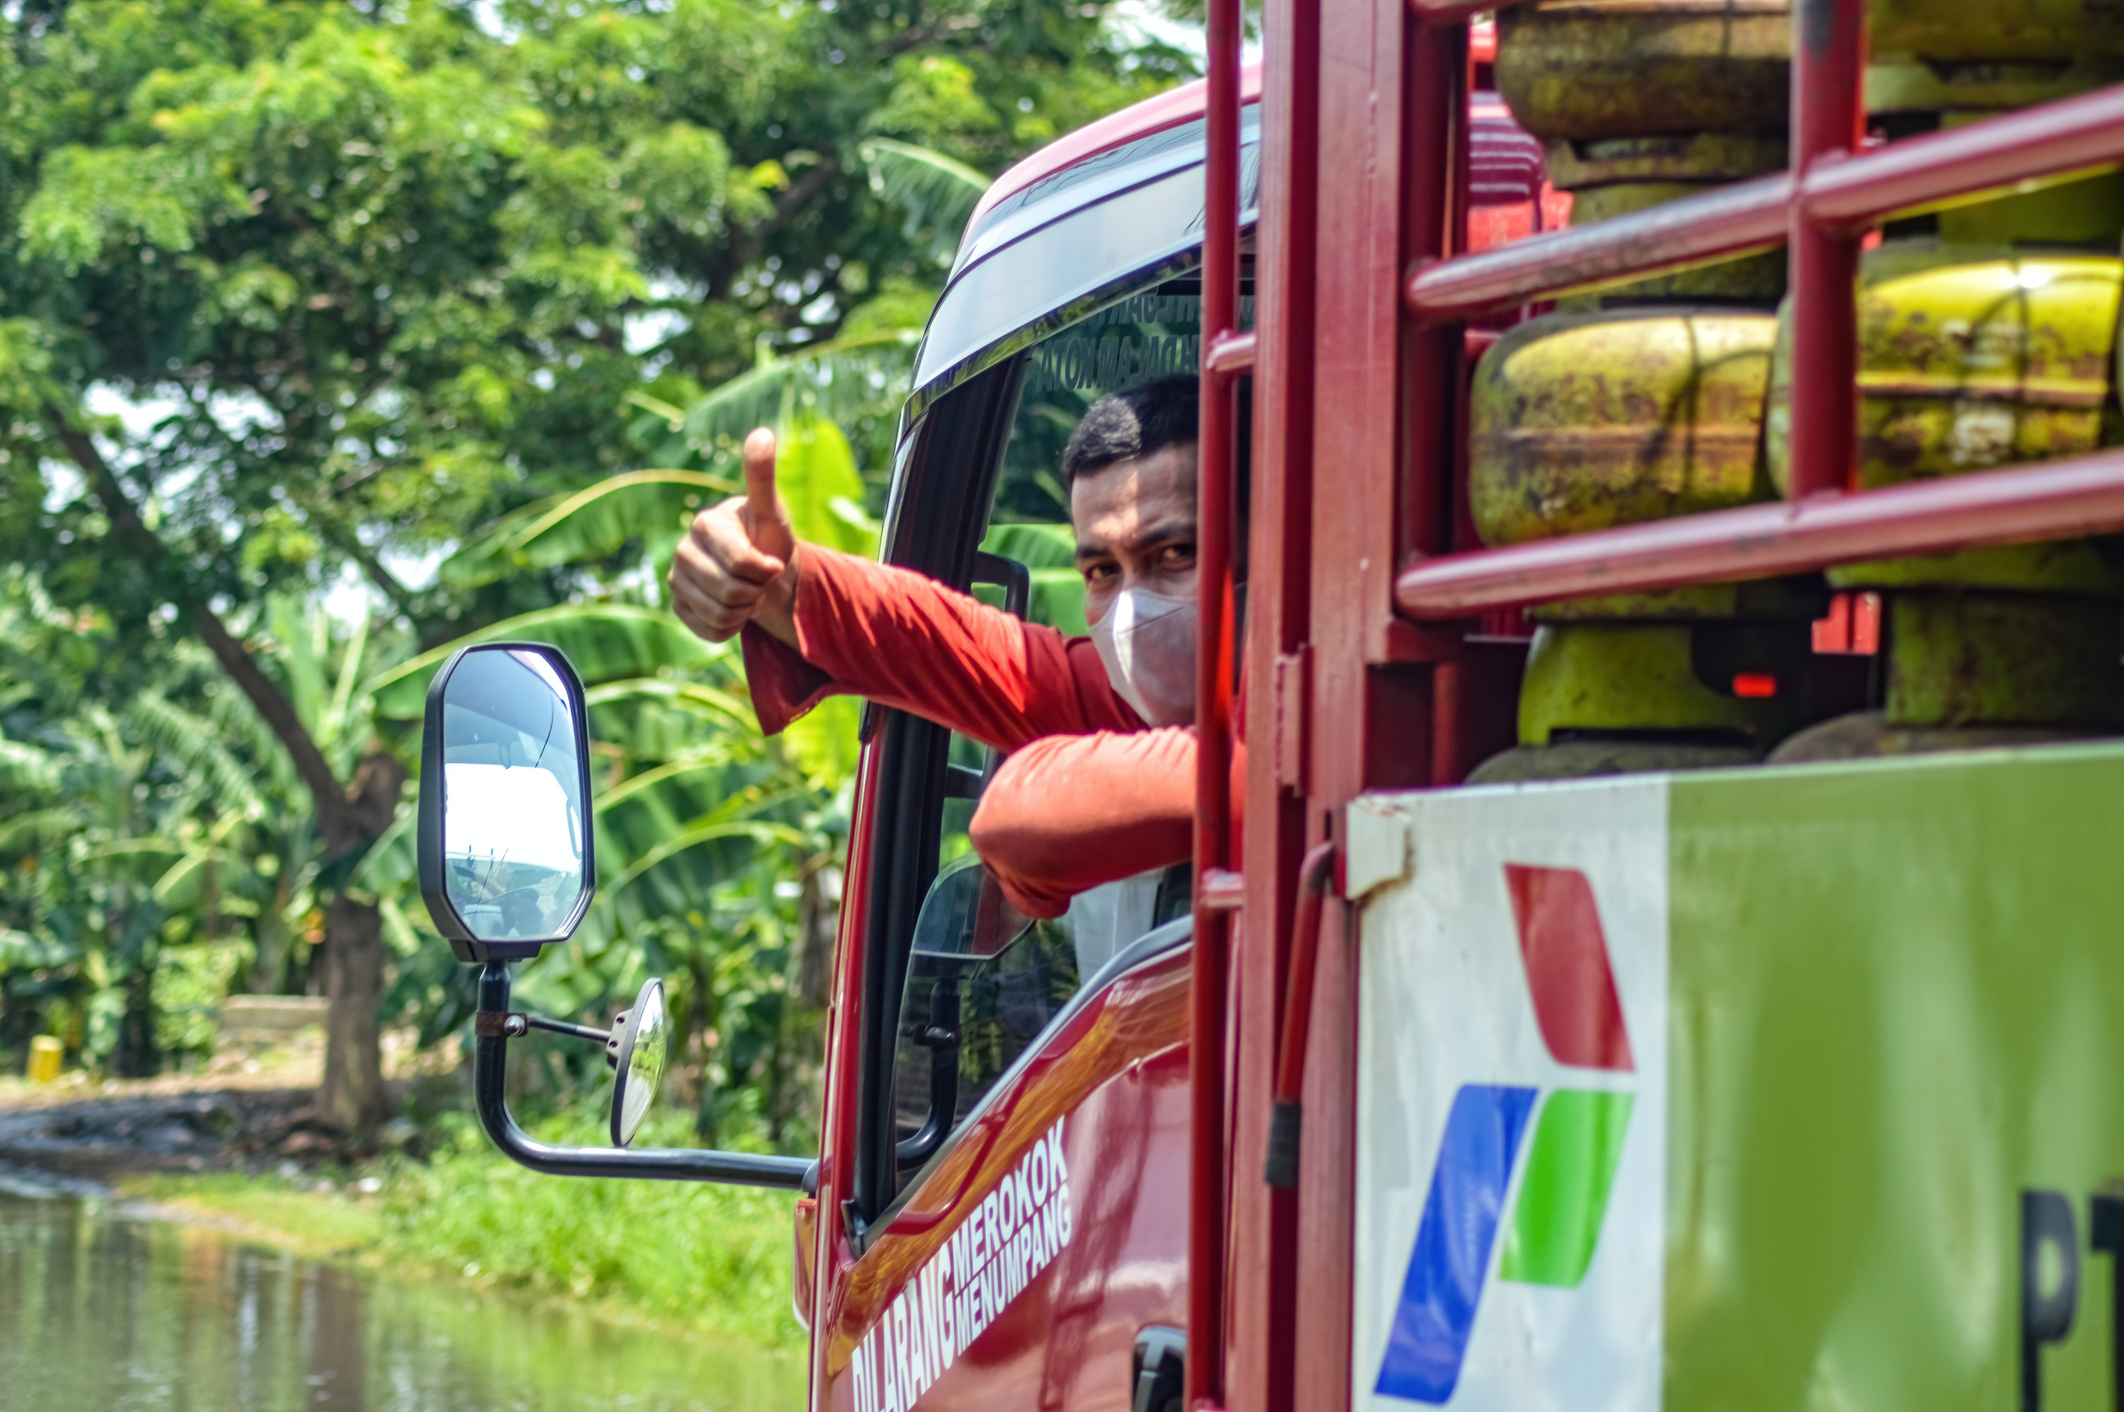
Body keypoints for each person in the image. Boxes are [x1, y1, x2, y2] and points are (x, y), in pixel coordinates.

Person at [667, 376, 1220, 920]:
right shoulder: (1119, 704)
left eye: (1174, 554)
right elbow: (941, 644)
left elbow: (1016, 820)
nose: (1132, 610)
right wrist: (777, 584)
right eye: (1101, 570)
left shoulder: (1285, 740)